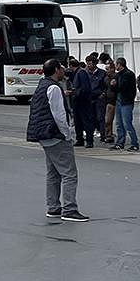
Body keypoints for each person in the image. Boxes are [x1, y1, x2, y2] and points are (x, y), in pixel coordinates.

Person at [28, 58, 85, 222]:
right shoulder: (54, 87)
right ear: (56, 70)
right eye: (61, 68)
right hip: (55, 135)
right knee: (69, 173)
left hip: (44, 135)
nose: (63, 70)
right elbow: (59, 114)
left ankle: (53, 207)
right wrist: (67, 134)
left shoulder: (42, 85)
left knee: (53, 173)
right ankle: (70, 209)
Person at [112, 57, 139, 151]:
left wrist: (114, 85)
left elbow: (123, 87)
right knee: (119, 123)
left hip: (126, 101)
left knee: (127, 123)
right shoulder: (118, 75)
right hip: (119, 100)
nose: (115, 66)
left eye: (116, 64)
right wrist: (113, 85)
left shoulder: (128, 74)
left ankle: (134, 143)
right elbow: (115, 89)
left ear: (119, 65)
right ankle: (120, 142)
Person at [70, 55, 96, 148]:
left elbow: (85, 88)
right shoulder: (79, 72)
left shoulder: (81, 73)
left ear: (71, 66)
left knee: (86, 120)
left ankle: (89, 140)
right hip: (78, 100)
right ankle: (80, 139)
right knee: (78, 121)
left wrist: (75, 92)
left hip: (82, 101)